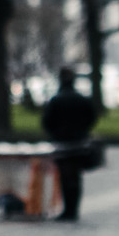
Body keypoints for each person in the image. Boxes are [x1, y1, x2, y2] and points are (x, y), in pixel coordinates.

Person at [41, 66, 97, 222]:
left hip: (62, 144)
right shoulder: (82, 99)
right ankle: (74, 208)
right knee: (76, 177)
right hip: (79, 143)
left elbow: (47, 121)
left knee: (65, 178)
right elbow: (91, 118)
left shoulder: (56, 100)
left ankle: (68, 209)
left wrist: (55, 133)